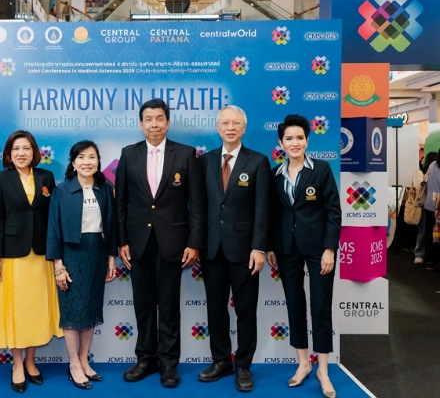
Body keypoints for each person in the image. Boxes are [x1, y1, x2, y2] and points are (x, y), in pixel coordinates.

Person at [115, 98, 206, 388]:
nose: (153, 124)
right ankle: (145, 359)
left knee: (168, 305)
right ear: (140, 124)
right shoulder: (129, 154)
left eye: (159, 119)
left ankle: (168, 362)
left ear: (168, 122)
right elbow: (121, 203)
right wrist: (122, 241)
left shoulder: (186, 154)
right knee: (143, 304)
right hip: (138, 243)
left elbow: (197, 204)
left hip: (173, 243)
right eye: (148, 119)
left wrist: (194, 243)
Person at [266, 114, 341, 398]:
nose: (294, 143)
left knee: (320, 307)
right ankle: (303, 363)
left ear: (307, 140)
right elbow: (273, 214)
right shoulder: (275, 174)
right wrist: (271, 246)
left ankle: (323, 369)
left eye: (299, 138)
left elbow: (333, 211)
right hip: (287, 249)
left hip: (319, 249)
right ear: (281, 143)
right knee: (295, 305)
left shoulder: (321, 169)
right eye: (289, 138)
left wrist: (330, 249)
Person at [197, 105, 269, 392]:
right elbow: (198, 207)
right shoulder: (204, 161)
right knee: (215, 308)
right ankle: (221, 361)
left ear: (244, 128)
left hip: (245, 250)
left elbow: (263, 208)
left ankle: (243, 366)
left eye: (235, 123)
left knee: (246, 310)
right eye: (225, 123)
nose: (230, 127)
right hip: (211, 248)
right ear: (217, 128)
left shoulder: (258, 161)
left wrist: (259, 247)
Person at [0, 130, 63, 393]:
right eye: (16, 149)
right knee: (17, 311)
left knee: (35, 310)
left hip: (41, 254)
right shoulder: (0, 179)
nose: (21, 153)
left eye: (26, 148)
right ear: (9, 154)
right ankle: (17, 364)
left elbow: (53, 217)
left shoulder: (46, 177)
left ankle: (31, 361)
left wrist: (56, 253)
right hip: (12, 255)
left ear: (34, 152)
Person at [46, 140, 117, 390]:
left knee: (90, 310)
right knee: (72, 312)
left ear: (98, 162)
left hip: (97, 253)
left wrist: (111, 257)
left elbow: (112, 225)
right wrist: (58, 266)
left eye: (92, 157)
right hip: (71, 255)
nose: (87, 162)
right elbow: (53, 230)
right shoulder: (62, 191)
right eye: (81, 158)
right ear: (74, 163)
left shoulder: (105, 190)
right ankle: (74, 364)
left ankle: (84, 359)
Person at [412, 152, 437, 264]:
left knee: (427, 231)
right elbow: (420, 186)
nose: (421, 160)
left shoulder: (431, 169)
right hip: (426, 205)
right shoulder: (420, 172)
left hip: (428, 204)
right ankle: (421, 254)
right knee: (424, 230)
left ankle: (426, 255)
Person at [423, 148, 440, 271]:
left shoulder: (432, 165)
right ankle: (436, 260)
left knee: (429, 233)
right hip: (438, 208)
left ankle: (429, 261)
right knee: (437, 235)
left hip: (429, 205)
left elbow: (425, 180)